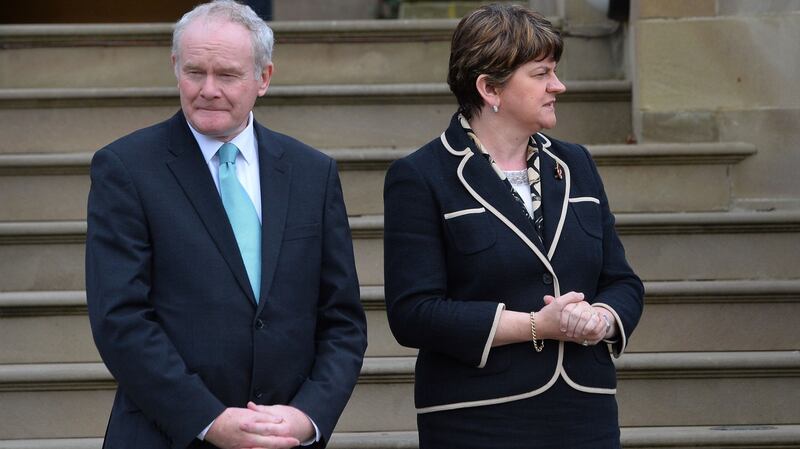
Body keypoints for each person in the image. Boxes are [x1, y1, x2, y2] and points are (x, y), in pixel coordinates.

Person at [85, 1, 367, 448]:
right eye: (195, 71)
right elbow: (120, 320)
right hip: (167, 435)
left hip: (283, 439)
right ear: (175, 68)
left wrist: (307, 416)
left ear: (264, 78)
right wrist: (207, 420)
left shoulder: (312, 173)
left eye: (228, 75)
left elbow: (343, 321)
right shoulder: (126, 169)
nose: (208, 89)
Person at [383, 4, 644, 448]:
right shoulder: (422, 175)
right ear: (490, 88)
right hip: (477, 418)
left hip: (585, 412)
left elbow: (622, 281)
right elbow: (414, 314)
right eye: (541, 74)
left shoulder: (575, 163)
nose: (558, 86)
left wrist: (600, 319)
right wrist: (536, 325)